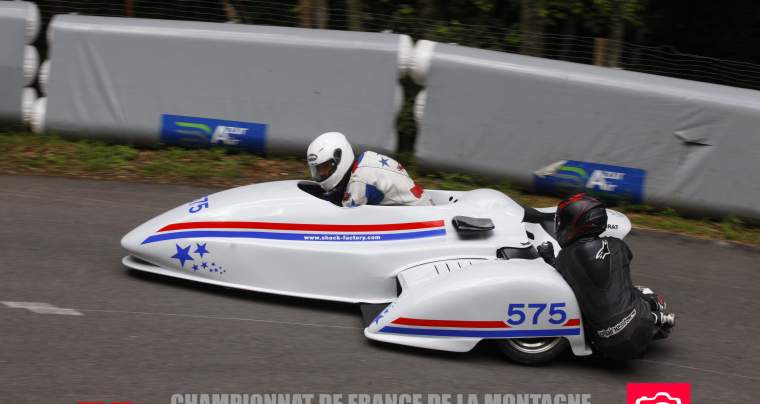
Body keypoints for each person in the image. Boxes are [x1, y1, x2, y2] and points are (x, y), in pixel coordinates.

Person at [542, 193, 674, 360]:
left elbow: (558, 275)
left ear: (577, 222)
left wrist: (548, 256)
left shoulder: (564, 257)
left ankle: (653, 315)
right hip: (641, 328)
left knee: (609, 294)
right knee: (638, 291)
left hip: (605, 346)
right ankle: (657, 316)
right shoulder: (618, 245)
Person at [306, 131, 432, 207]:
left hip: (419, 218)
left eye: (326, 167)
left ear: (340, 158)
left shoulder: (358, 181)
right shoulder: (366, 159)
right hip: (420, 205)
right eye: (318, 169)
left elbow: (343, 218)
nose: (321, 173)